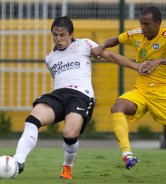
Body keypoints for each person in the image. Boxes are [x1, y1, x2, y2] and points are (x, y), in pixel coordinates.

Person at [9, 16, 141, 179]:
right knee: (32, 119)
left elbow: (111, 56)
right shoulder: (50, 58)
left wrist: (136, 66)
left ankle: (67, 168)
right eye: (55, 35)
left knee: (70, 134)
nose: (58, 39)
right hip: (58, 94)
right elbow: (60, 79)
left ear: (71, 34)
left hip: (80, 96)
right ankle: (18, 161)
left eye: (62, 34)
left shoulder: (84, 44)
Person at [92, 6, 166, 179]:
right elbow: (116, 39)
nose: (143, 27)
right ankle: (127, 154)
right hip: (141, 90)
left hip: (164, 93)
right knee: (117, 107)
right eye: (141, 23)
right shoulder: (136, 34)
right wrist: (102, 45)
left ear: (158, 23)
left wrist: (158, 61)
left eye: (147, 24)